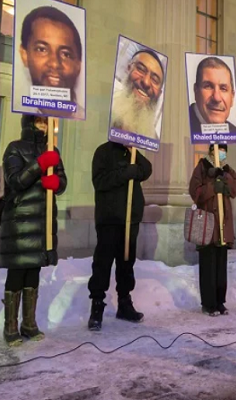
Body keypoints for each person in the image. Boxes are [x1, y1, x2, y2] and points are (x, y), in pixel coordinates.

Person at [0, 114, 67, 345]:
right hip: (20, 221)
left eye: (47, 123)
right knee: (17, 272)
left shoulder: (53, 150)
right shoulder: (14, 148)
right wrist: (40, 165)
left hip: (42, 221)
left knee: (34, 272)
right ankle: (10, 328)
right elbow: (14, 180)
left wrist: (57, 183)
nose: (43, 127)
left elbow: (61, 180)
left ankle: (29, 324)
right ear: (29, 123)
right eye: (39, 122)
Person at [87, 140, 153, 331]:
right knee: (103, 263)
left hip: (129, 219)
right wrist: (125, 174)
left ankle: (124, 303)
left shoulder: (131, 152)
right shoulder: (103, 151)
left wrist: (134, 151)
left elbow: (146, 169)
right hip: (109, 218)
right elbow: (99, 181)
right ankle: (97, 307)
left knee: (126, 263)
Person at [189, 144, 236, 316]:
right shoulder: (202, 167)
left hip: (223, 225)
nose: (221, 154)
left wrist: (224, 177)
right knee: (208, 264)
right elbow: (194, 191)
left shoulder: (226, 168)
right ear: (211, 152)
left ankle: (220, 301)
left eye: (224, 151)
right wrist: (212, 186)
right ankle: (208, 303)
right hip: (207, 225)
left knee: (220, 265)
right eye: (218, 151)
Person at [17, 6, 84, 119]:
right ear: (24, 55)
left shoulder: (84, 118)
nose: (54, 64)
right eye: (42, 49)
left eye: (66, 54)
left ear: (78, 65)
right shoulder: (20, 111)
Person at [110, 49, 165, 139]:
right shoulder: (107, 108)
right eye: (141, 69)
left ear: (159, 93)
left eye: (154, 79)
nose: (146, 82)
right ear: (128, 68)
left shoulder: (152, 139)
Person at [189, 57, 236, 135]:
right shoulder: (181, 125)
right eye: (208, 86)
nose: (216, 98)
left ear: (232, 97)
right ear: (196, 91)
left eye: (223, 89)